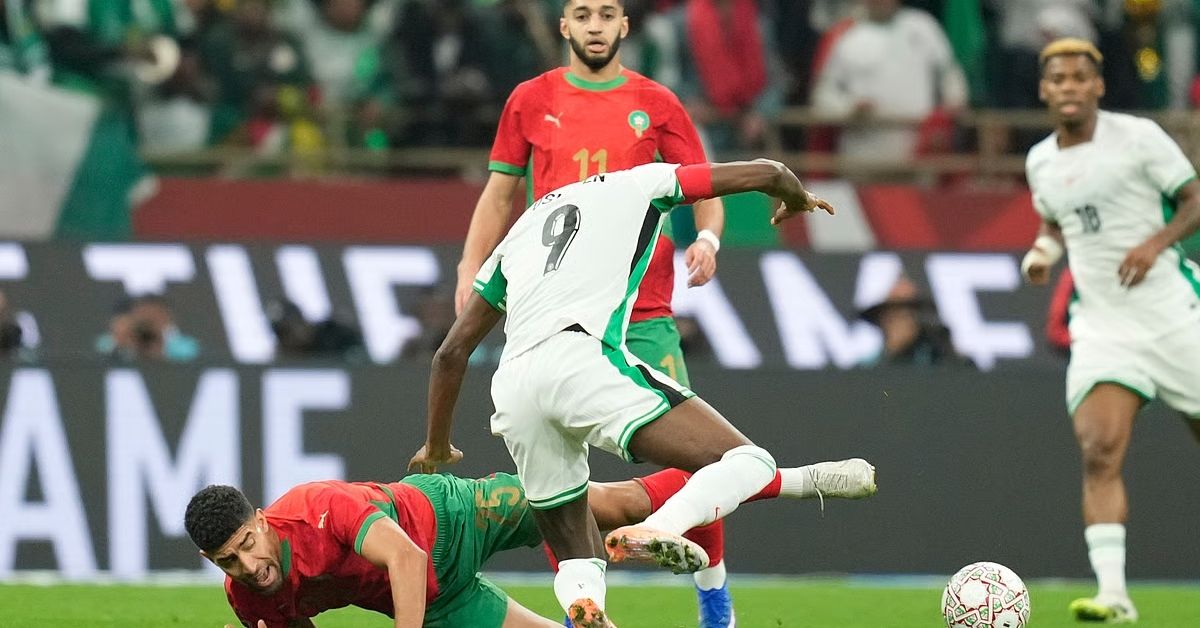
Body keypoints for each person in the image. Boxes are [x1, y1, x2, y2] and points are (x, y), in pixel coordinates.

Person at [410, 159, 849, 626]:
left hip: (514, 386)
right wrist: (796, 197)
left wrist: (437, 444)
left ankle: (586, 604)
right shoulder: (640, 181)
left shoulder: (525, 225)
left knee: (576, 553)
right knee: (749, 461)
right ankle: (659, 528)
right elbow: (768, 171)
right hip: (580, 357)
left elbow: (450, 354)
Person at [453, 1, 735, 622]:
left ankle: (714, 594)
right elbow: (499, 192)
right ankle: (583, 608)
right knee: (555, 479)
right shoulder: (531, 100)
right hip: (555, 314)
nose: (596, 26)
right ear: (565, 26)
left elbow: (706, 185)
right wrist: (469, 267)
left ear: (624, 25)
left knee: (696, 458)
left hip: (643, 309)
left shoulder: (657, 103)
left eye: (607, 14)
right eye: (583, 14)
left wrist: (707, 239)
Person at [186, 462, 875, 628]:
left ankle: (788, 478)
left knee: (617, 504)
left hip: (458, 517)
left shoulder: (316, 506)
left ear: (262, 521)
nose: (249, 566)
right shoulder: (247, 599)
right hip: (440, 602)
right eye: (228, 562)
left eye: (247, 544)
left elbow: (404, 557)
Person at [1021, 38, 1200, 624]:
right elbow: (1056, 221)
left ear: (1098, 85)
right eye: (1058, 79)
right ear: (1044, 90)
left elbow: (1194, 199)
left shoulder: (1139, 137)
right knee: (1098, 450)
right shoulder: (1041, 160)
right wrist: (1044, 253)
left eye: (1079, 77)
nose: (1069, 87)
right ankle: (1115, 595)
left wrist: (1155, 243)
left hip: (1173, 314)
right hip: (1103, 325)